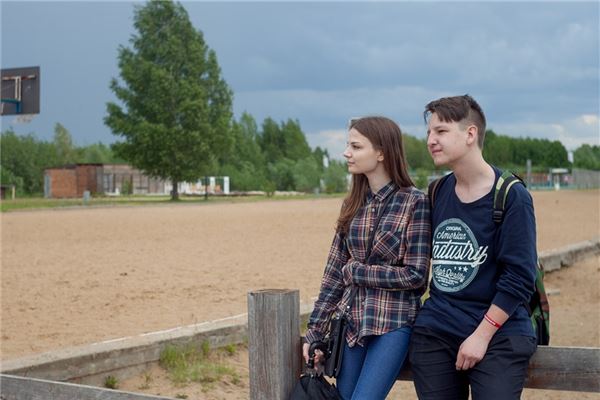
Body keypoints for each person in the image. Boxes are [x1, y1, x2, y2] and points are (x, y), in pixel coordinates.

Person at [408, 95, 538, 400]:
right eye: (429, 132)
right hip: (437, 328)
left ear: (470, 134)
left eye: (440, 131)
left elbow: (520, 277)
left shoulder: (511, 195)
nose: (430, 140)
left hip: (499, 331)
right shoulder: (437, 191)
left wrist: (481, 336)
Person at [302, 116, 431, 400]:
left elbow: (416, 276)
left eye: (356, 146)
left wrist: (358, 272)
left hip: (393, 323)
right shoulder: (352, 203)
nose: (346, 152)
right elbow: (334, 273)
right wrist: (315, 331)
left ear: (381, 152)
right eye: (348, 145)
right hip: (351, 324)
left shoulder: (415, 202)